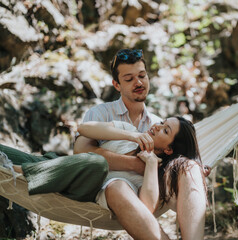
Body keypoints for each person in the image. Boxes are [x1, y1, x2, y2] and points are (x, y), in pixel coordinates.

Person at [74, 49, 208, 239]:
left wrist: (194, 166)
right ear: (116, 85)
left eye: (142, 76)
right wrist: (133, 163)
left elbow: (170, 157)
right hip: (114, 187)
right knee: (117, 187)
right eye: (128, 79)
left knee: (190, 168)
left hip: (151, 187)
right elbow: (81, 151)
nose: (138, 82)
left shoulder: (156, 123)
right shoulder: (101, 113)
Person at [77, 116, 205, 215]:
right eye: (161, 122)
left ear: (168, 149)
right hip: (73, 173)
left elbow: (147, 208)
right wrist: (133, 136)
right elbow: (83, 128)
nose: (157, 126)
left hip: (86, 193)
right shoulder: (128, 130)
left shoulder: (152, 175)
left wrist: (151, 163)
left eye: (165, 130)